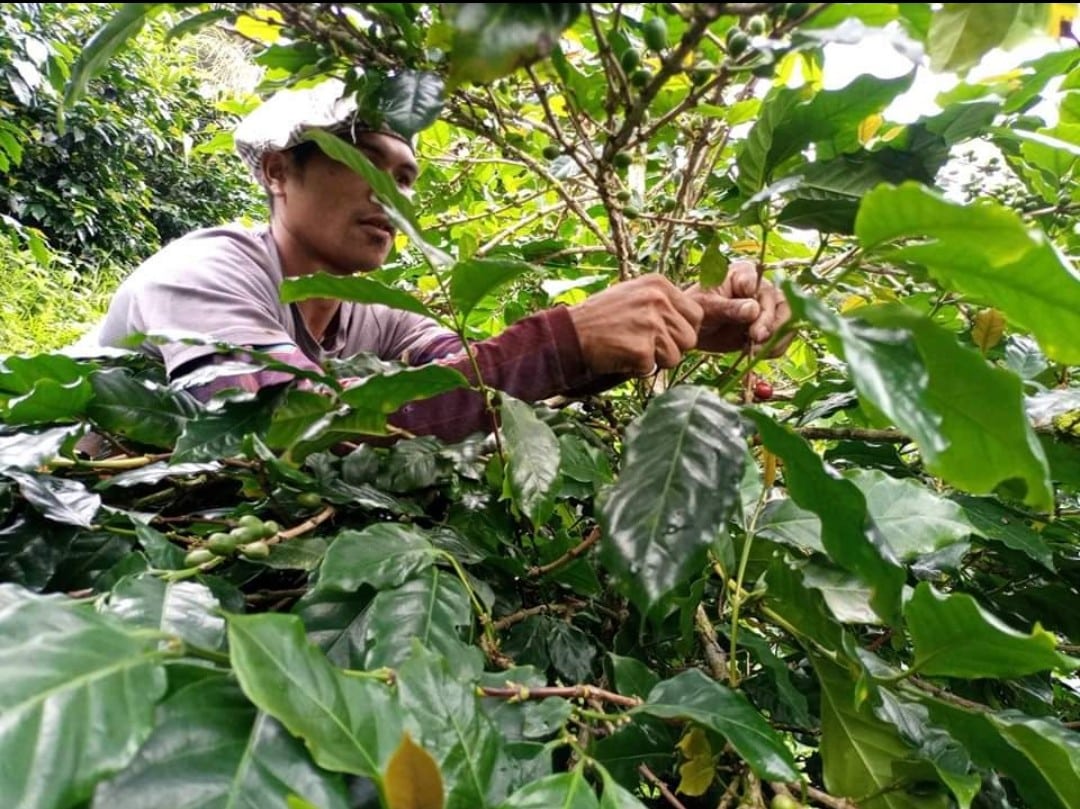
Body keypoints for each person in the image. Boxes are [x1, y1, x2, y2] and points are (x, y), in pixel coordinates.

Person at [76, 79, 792, 443]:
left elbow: (481, 390)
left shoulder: (380, 320)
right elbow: (286, 431)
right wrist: (564, 336)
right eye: (364, 159)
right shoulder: (204, 273)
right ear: (275, 171)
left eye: (407, 176)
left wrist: (681, 319)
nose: (392, 192)